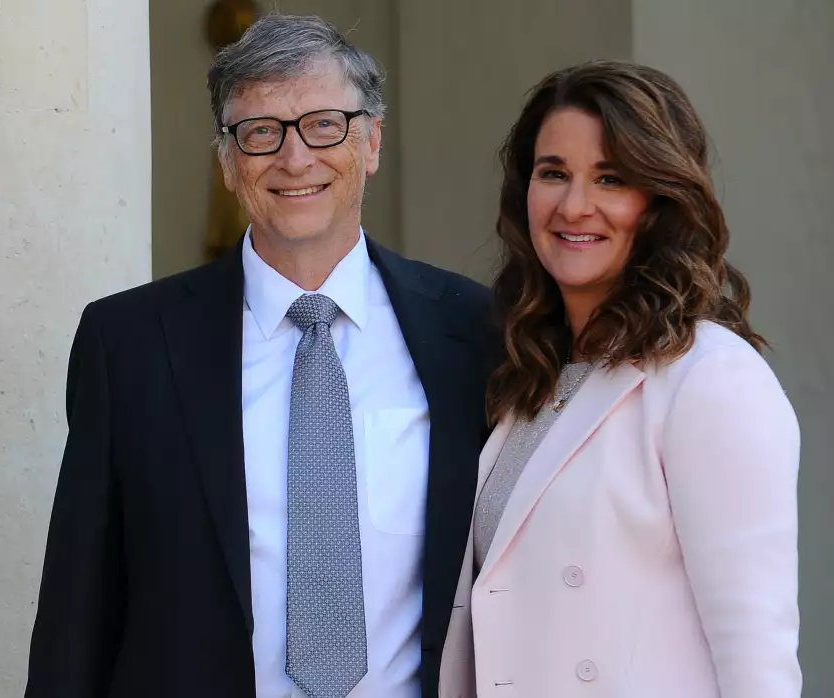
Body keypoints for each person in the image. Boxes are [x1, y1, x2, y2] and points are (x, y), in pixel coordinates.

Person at [25, 14, 496, 698]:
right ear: (227, 160)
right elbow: (77, 607)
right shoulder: (128, 343)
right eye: (260, 132)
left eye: (325, 125)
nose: (295, 158)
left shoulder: (472, 330)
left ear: (371, 143)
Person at [457, 60, 802, 697]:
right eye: (553, 173)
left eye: (610, 178)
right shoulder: (528, 374)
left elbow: (757, 655)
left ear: (660, 200)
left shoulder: (710, 378)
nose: (574, 206)